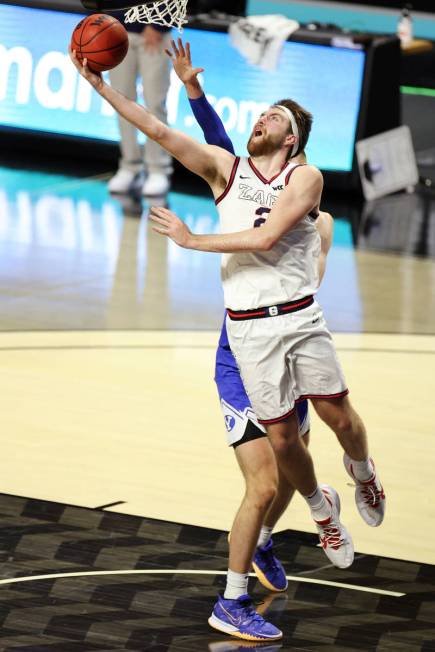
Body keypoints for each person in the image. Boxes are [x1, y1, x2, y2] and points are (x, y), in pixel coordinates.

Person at [70, 46, 386, 643]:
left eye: (273, 117)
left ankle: (302, 518)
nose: (260, 119)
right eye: (259, 114)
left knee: (304, 456)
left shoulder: (312, 204)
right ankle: (246, 583)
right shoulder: (231, 170)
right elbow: (171, 134)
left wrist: (194, 240)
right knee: (267, 480)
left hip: (295, 322)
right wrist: (108, 87)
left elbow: (268, 231)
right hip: (241, 345)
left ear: (293, 141)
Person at [166, 39, 333, 596]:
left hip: (289, 342)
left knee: (294, 464)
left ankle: (263, 539)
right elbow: (219, 148)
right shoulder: (247, 180)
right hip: (242, 346)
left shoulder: (315, 220)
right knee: (263, 481)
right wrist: (193, 89)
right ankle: (234, 590)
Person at [107, 16, 173, 196]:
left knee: (155, 104)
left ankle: (158, 169)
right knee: (121, 102)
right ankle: (130, 166)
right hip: (116, 29)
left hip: (154, 33)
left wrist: (158, 24)